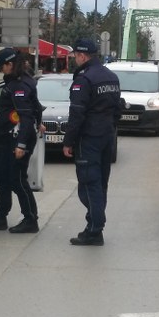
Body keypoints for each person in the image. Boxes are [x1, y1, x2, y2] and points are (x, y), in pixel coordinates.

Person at [62, 38, 122, 246]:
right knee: (101, 183)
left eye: (75, 56)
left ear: (82, 55)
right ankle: (93, 226)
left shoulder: (84, 80)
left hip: (89, 139)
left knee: (88, 184)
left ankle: (95, 228)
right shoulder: (111, 77)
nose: (74, 60)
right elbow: (117, 109)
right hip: (107, 137)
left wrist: (68, 142)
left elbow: (76, 114)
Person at [0, 48, 43, 233]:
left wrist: (21, 144)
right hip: (11, 138)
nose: (1, 71)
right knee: (3, 178)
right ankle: (0, 217)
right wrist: (40, 122)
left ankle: (31, 219)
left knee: (17, 180)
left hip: (18, 139)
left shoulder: (19, 85)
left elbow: (26, 114)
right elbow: (36, 106)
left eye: (2, 67)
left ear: (10, 64)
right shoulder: (19, 81)